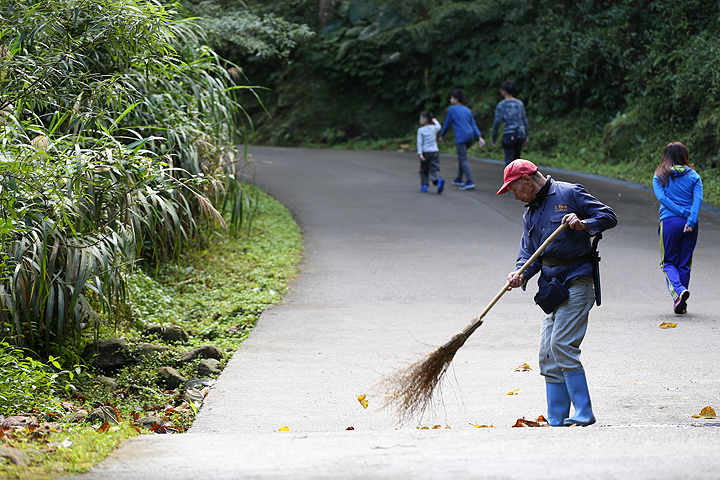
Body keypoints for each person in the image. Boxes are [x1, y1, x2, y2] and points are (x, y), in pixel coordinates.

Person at [498, 159, 617, 427]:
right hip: (551, 288)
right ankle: (557, 418)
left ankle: (584, 411)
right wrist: (520, 274)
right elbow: (529, 254)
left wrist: (582, 223)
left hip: (577, 280)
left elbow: (609, 216)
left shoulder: (569, 193)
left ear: (527, 180)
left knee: (561, 344)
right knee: (547, 354)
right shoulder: (530, 212)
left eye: (514, 189)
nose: (515, 197)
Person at [652, 142, 703, 314]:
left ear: (666, 156)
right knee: (684, 263)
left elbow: (663, 199)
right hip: (690, 224)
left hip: (669, 223)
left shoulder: (659, 176)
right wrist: (690, 219)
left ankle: (679, 292)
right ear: (685, 156)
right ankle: (681, 302)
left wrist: (680, 212)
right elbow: (698, 201)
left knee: (668, 263)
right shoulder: (694, 176)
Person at [439, 89, 485, 190]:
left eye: (451, 98)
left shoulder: (452, 109)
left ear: (456, 99)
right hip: (470, 136)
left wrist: (442, 135)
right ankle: (459, 179)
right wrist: (480, 137)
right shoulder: (467, 110)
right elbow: (473, 124)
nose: (450, 100)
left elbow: (447, 124)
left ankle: (469, 181)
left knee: (463, 158)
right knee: (462, 157)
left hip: (461, 136)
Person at [491, 80, 529, 165]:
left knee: (509, 159)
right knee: (517, 159)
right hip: (520, 133)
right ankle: (517, 178)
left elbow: (497, 122)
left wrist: (494, 138)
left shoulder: (501, 105)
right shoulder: (519, 103)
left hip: (509, 134)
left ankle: (509, 178)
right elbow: (524, 120)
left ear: (504, 91)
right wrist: (526, 136)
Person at [416, 110, 444, 194]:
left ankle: (424, 185)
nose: (420, 120)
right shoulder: (433, 128)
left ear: (424, 119)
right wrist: (435, 121)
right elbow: (439, 127)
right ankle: (438, 180)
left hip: (425, 152)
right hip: (434, 151)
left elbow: (419, 142)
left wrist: (420, 153)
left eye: (420, 118)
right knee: (434, 168)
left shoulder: (420, 130)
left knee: (424, 170)